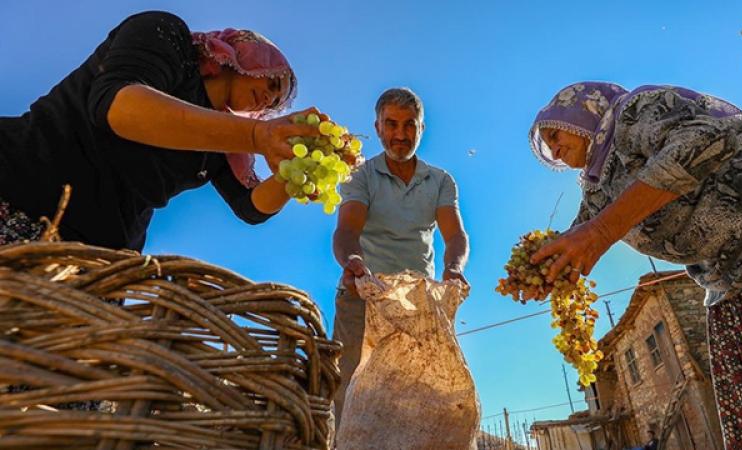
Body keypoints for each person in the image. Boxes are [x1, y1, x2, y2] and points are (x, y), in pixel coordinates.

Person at [528, 81, 742, 449]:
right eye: (547, 145)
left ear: (580, 115)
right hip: (732, 280)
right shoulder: (595, 190)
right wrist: (540, 269)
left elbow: (704, 140)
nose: (554, 150)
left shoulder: (634, 113)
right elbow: (578, 237)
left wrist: (603, 229)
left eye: (555, 133)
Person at [0, 11, 324, 250]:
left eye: (276, 102)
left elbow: (249, 207)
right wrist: (258, 136)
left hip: (95, 256)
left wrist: (291, 176)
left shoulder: (225, 142)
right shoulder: (169, 38)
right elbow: (116, 106)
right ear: (249, 55)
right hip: (20, 190)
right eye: (271, 81)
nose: (269, 99)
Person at [331, 87, 470, 427]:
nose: (400, 135)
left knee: (420, 398)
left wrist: (453, 270)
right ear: (377, 127)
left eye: (410, 125)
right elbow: (347, 230)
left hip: (416, 303)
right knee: (349, 391)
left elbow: (454, 235)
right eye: (391, 124)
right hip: (363, 294)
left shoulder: (439, 180)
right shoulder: (360, 176)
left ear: (421, 129)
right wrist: (354, 262)